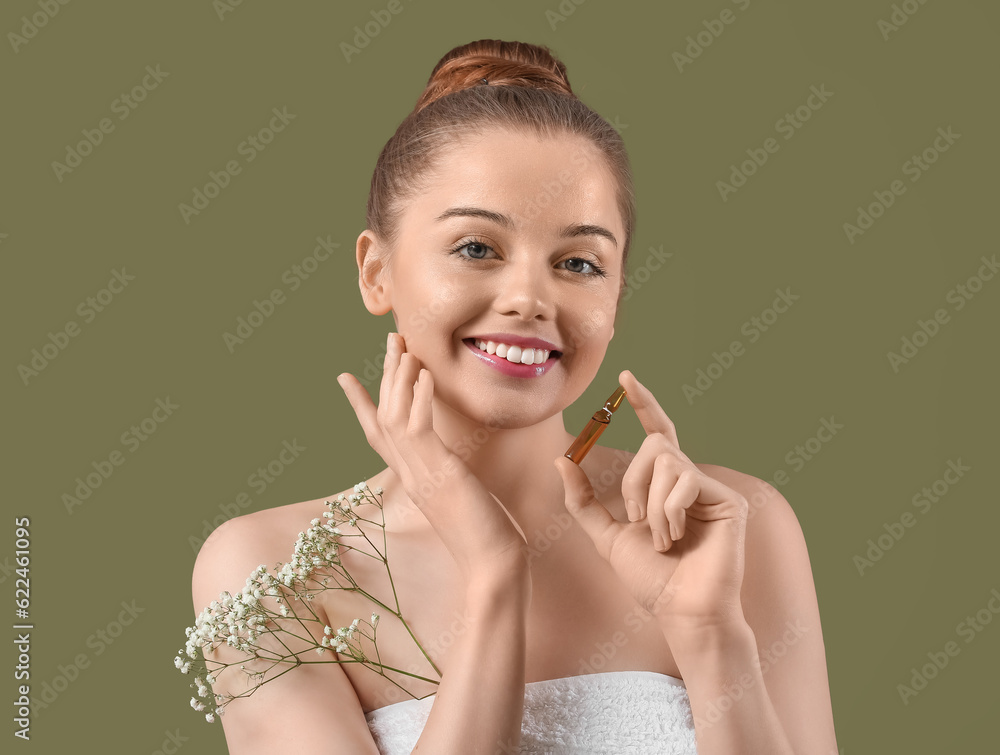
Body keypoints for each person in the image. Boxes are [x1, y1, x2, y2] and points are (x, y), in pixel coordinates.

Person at [191, 38, 839, 754]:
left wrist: (713, 635)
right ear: (376, 272)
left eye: (579, 262)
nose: (530, 297)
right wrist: (494, 575)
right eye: (477, 248)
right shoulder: (272, 571)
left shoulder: (729, 527)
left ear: (617, 294)